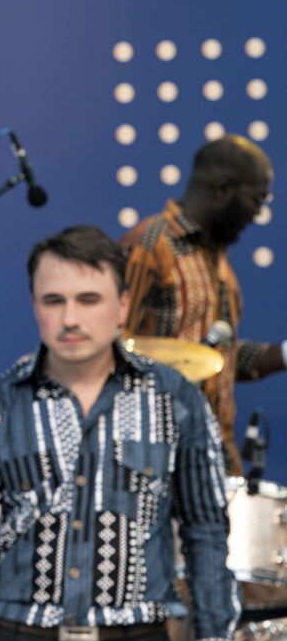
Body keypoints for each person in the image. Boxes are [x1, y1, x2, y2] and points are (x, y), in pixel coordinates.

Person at [0, 226, 237, 641]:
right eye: (53, 300)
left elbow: (206, 533)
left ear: (122, 304)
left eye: (88, 299)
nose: (70, 319)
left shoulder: (176, 399)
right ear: (34, 307)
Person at [121, 134, 283, 475]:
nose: (259, 213)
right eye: (258, 199)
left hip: (218, 461)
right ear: (223, 189)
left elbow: (215, 359)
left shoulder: (218, 260)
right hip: (159, 461)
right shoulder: (151, 245)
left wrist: (282, 354)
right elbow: (112, 351)